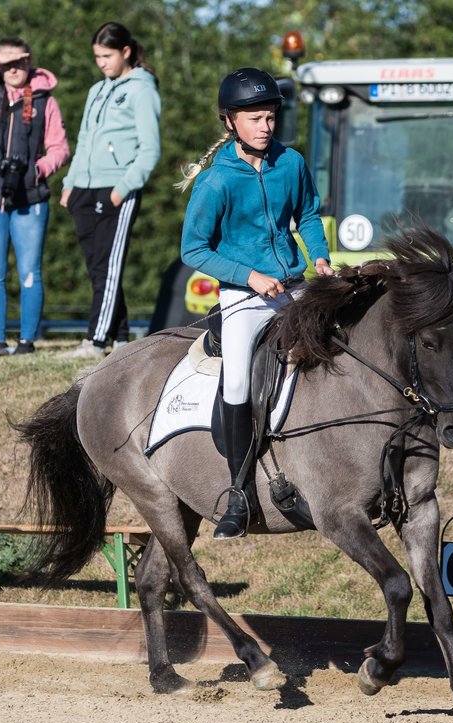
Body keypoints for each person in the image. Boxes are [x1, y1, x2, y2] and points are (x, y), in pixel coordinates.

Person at [178, 67, 332, 539]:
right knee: (239, 382)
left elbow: (306, 214)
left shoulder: (292, 163)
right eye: (255, 119)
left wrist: (320, 257)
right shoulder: (215, 182)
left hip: (293, 288)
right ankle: (239, 494)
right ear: (230, 123)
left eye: (270, 117)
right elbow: (194, 250)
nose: (266, 126)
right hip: (244, 298)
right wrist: (249, 276)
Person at [0, 37, 70, 358]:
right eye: (7, 63)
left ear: (30, 61)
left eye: (20, 62)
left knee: (30, 272)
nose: (13, 69)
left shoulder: (46, 100)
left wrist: (37, 169)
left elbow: (60, 147)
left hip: (30, 198)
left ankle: (26, 342)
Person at [58, 22, 161, 360]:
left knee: (108, 266)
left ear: (125, 51)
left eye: (107, 55)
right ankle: (119, 337)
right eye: (97, 56)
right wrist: (69, 184)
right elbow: (85, 140)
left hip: (117, 189)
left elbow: (150, 150)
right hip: (84, 189)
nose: (101, 62)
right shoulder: (97, 90)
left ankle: (95, 341)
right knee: (99, 269)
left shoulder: (142, 89)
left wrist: (121, 190)